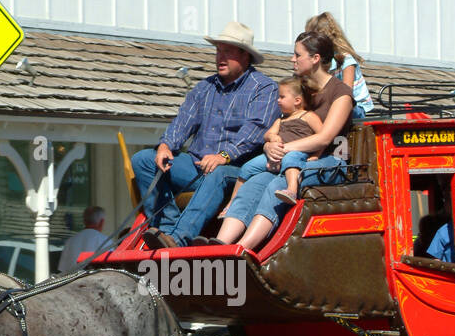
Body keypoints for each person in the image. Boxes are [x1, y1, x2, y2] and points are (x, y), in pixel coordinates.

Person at [131, 22, 279, 249]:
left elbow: (256, 130)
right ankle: (166, 231)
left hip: (237, 172)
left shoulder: (264, 88)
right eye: (218, 50)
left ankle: (180, 238)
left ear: (245, 56)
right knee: (143, 160)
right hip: (196, 164)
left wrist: (224, 155)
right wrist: (165, 145)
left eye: (227, 51)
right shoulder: (204, 88)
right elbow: (182, 122)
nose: (220, 56)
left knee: (218, 173)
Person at [207, 32, 353, 252]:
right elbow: (279, 127)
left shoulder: (341, 93)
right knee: (255, 182)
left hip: (330, 161)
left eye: (297, 55)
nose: (292, 59)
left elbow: (325, 137)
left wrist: (282, 149)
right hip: (291, 160)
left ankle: (243, 249)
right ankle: (220, 245)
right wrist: (269, 145)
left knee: (277, 185)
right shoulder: (301, 91)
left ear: (315, 59)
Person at [219, 77, 322, 216]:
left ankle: (292, 189)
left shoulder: (308, 116)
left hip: (297, 152)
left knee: (291, 159)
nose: (278, 100)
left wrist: (316, 155)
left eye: (282, 97)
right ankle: (232, 202)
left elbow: (322, 137)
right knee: (247, 168)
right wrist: (273, 138)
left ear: (297, 100)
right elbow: (267, 134)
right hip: (275, 154)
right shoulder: (281, 119)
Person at [305, 12, 374, 119]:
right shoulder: (322, 60)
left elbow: (346, 93)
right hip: (331, 102)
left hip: (355, 107)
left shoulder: (346, 59)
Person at [58, 205, 107, 271]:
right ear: (102, 222)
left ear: (84, 221)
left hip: (74, 280)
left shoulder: (70, 241)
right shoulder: (106, 241)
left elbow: (63, 269)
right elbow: (111, 269)